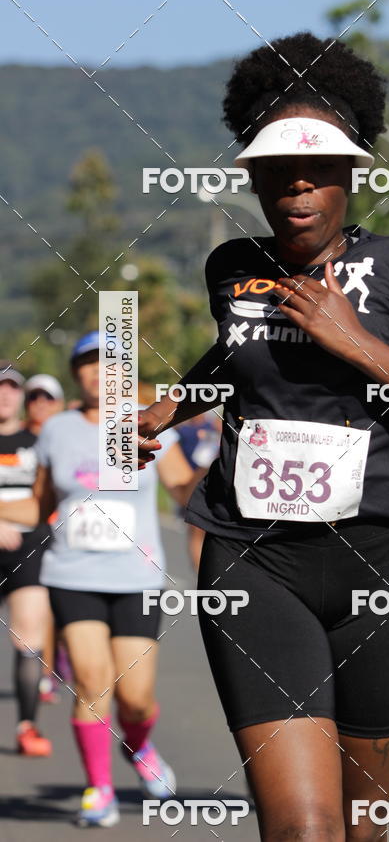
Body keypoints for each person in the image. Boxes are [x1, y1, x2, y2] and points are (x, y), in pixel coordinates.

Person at [137, 32, 389, 840]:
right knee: (304, 828)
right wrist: (166, 410)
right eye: (276, 170)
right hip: (254, 559)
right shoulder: (230, 267)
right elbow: (236, 361)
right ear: (250, 175)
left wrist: (353, 341)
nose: (296, 188)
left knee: (362, 828)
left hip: (384, 563)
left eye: (317, 170)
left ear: (354, 174)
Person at [0, 333, 201, 828]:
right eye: (87, 364)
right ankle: (100, 789)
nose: (97, 372)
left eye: (107, 363)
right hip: (73, 574)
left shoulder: (149, 419)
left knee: (136, 697)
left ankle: (140, 746)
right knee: (91, 682)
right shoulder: (57, 430)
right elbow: (39, 505)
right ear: (76, 374)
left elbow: (182, 489)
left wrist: (228, 469)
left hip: (136, 578)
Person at [0, 361, 53, 756]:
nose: (5, 394)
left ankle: (27, 727)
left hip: (28, 547)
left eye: (11, 387)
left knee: (28, 637)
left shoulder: (39, 442)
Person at [24, 373, 65, 704]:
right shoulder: (21, 439)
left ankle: (60, 656)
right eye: (33, 398)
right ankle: (47, 671)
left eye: (47, 398)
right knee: (45, 608)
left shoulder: (72, 433)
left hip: (70, 532)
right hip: (37, 531)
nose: (40, 404)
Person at [175, 412, 221, 571]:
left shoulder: (213, 426)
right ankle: (199, 572)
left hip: (212, 482)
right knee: (196, 529)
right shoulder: (183, 430)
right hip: (192, 483)